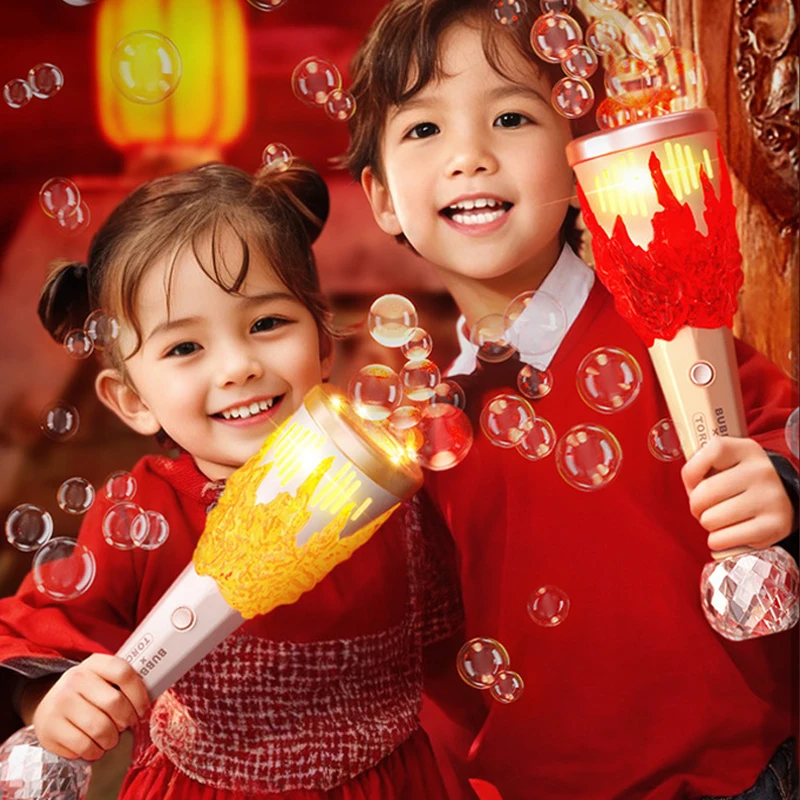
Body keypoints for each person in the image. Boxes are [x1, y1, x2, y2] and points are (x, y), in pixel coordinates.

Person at [342, 1, 800, 798]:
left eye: (513, 116)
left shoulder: (667, 332)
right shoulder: (414, 439)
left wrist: (778, 486)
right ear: (382, 199)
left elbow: (783, 433)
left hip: (732, 773)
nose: (470, 157)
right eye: (424, 130)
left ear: (575, 156)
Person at [0, 161, 463, 798]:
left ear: (323, 342)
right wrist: (53, 700)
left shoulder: (388, 492)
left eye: (267, 324)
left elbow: (461, 660)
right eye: (185, 348)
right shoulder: (140, 515)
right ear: (131, 400)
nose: (239, 366)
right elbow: (38, 643)